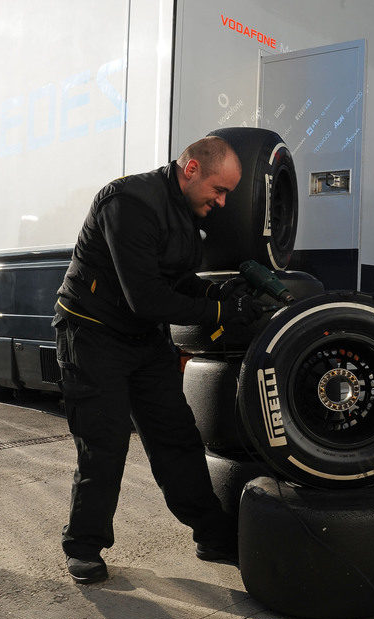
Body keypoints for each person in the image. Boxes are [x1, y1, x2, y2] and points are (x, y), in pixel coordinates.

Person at [53, 136, 263, 584]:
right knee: (104, 445)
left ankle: (211, 535)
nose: (223, 202)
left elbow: (178, 280)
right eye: (219, 190)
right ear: (191, 170)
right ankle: (84, 546)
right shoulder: (128, 203)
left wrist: (215, 292)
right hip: (91, 334)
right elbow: (146, 296)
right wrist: (220, 313)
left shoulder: (188, 212)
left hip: (143, 339)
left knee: (177, 438)